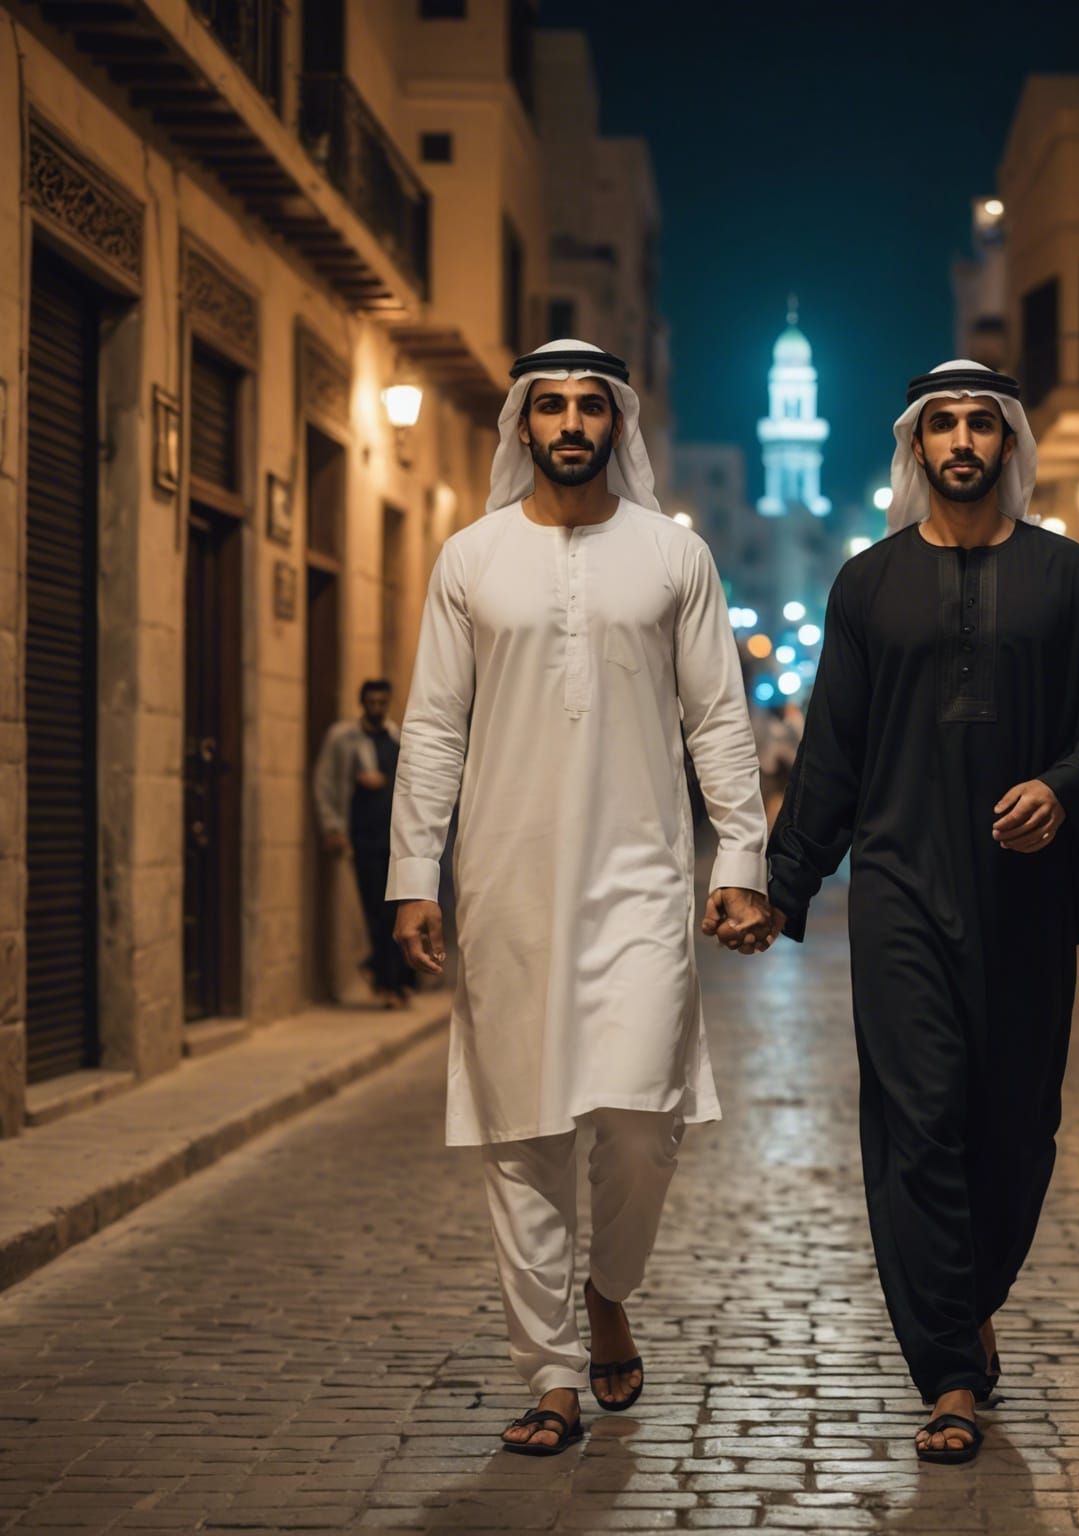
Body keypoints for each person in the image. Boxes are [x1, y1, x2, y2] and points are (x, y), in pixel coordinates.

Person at [721, 359, 1079, 1464]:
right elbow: (834, 756)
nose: (962, 442)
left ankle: (968, 1302)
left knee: (1015, 1126)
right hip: (903, 891)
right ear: (920, 445)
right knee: (917, 1123)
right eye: (943, 425)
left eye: (982, 424)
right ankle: (949, 1370)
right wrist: (786, 882)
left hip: (1023, 898)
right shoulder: (867, 586)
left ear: (1009, 442)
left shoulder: (1072, 579)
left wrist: (1060, 788)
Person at [386, 339, 776, 1457]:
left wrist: (738, 860)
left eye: (588, 407)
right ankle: (550, 1373)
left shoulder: (670, 558)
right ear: (520, 425)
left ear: (617, 425)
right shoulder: (469, 559)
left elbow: (717, 719)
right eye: (548, 405)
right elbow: (433, 727)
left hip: (642, 880)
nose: (569, 423)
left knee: (646, 1124)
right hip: (505, 882)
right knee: (525, 1132)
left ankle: (610, 1286)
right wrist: (417, 871)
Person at [312, 679, 413, 1007]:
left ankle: (392, 980)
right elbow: (325, 782)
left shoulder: (398, 738)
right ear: (362, 702)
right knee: (376, 911)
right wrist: (333, 827)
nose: (376, 707)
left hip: (397, 839)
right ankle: (386, 982)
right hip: (364, 837)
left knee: (396, 908)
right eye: (371, 701)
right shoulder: (344, 739)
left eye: (382, 701)